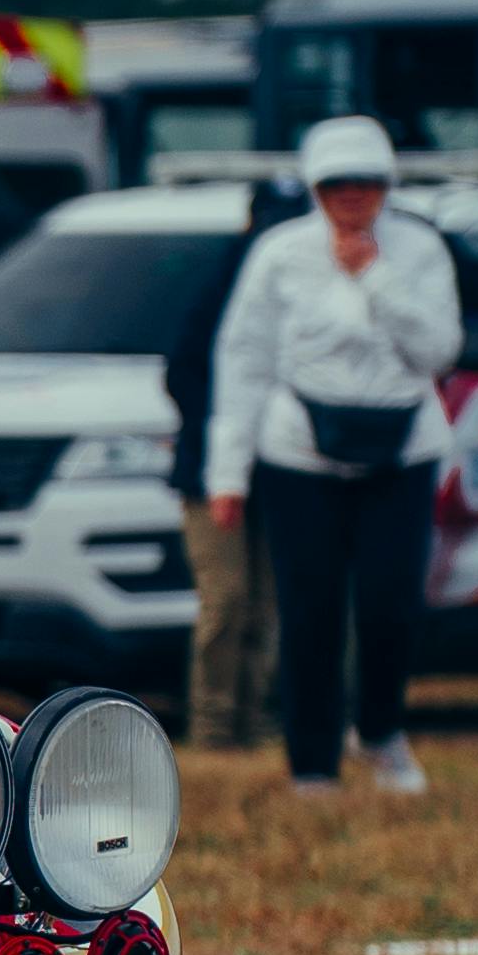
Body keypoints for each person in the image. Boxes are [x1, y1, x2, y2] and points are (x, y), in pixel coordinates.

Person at [206, 116, 459, 801]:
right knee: (308, 612)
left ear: (387, 184)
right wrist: (227, 473)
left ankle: (379, 731)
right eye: (336, 182)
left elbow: (438, 349)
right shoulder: (279, 252)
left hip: (401, 451)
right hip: (298, 454)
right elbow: (244, 360)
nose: (352, 194)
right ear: (315, 188)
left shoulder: (420, 248)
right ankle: (312, 765)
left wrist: (374, 275)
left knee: (390, 605)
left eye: (366, 181)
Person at [166, 203, 281, 751]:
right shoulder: (220, 290)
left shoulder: (293, 286)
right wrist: (222, 432)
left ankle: (253, 721)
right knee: (226, 599)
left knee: (263, 606)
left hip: (276, 472)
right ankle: (213, 724)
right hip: (208, 477)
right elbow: (183, 375)